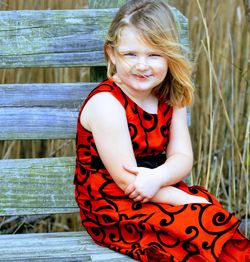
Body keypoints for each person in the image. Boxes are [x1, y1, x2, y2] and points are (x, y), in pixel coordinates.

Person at [74, 0, 249, 261]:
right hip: (114, 207)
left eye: (154, 54)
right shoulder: (107, 104)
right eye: (130, 54)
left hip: (157, 188)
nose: (142, 65)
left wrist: (160, 178)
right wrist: (182, 199)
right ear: (111, 53)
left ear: (170, 55)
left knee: (214, 221)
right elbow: (128, 183)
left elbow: (182, 158)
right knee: (201, 227)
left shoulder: (169, 96)